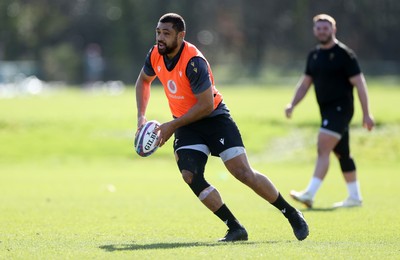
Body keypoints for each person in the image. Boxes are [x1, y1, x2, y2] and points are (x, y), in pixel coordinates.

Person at [135, 13, 309, 242]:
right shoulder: (155, 54)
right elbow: (143, 82)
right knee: (190, 175)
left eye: (166, 33)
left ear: (181, 35)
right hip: (187, 124)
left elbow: (206, 105)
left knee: (242, 172)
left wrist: (172, 126)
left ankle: (290, 213)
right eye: (158, 32)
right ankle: (235, 227)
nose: (160, 38)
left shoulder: (193, 62)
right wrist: (141, 118)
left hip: (214, 118)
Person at [285, 14, 375, 209]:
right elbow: (305, 84)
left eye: (326, 28)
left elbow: (360, 84)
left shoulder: (345, 54)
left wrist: (366, 113)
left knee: (323, 146)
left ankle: (309, 193)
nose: (322, 31)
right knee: (342, 154)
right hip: (326, 111)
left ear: (333, 30)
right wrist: (292, 104)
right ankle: (354, 197)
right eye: (319, 28)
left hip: (341, 109)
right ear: (314, 31)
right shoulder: (314, 55)